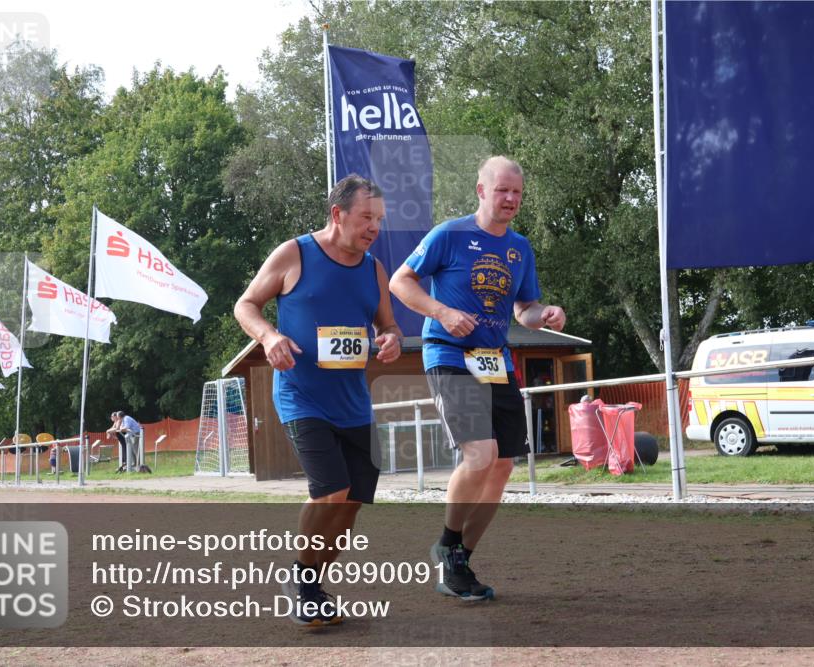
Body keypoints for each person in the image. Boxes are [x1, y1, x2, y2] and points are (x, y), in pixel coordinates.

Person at [390, 156, 566, 601]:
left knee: (502, 465)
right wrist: (443, 312)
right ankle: (448, 542)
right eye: (502, 190)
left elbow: (524, 310)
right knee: (480, 453)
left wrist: (545, 314)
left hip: (495, 361)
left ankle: (460, 561)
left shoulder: (520, 248)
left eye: (517, 193)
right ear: (481, 190)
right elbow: (400, 282)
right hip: (448, 354)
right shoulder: (449, 235)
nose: (510, 199)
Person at [234, 174, 402, 626]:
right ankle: (300, 579)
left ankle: (311, 585)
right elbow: (245, 305)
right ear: (337, 214)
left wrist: (391, 339)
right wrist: (269, 337)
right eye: (366, 217)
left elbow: (388, 325)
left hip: (354, 404)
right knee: (331, 490)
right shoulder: (295, 254)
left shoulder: (374, 269)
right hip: (302, 396)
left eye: (379, 220)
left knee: (350, 505)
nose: (374, 228)